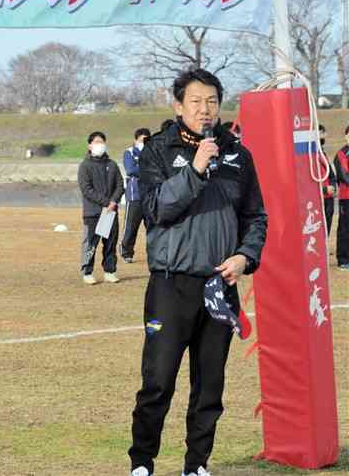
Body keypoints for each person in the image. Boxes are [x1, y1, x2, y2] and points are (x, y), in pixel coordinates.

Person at [128, 69, 267, 476]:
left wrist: (244, 257)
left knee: (209, 385)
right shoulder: (156, 150)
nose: (204, 110)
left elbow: (255, 217)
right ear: (178, 105)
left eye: (211, 101)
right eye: (195, 101)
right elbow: (154, 209)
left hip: (219, 287)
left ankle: (196, 464)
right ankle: (142, 462)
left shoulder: (238, 155)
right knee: (158, 381)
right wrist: (194, 169)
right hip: (171, 285)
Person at [78, 131, 125, 284]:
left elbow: (120, 185)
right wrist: (106, 202)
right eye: (96, 142)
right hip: (93, 212)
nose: (99, 145)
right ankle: (87, 271)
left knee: (110, 243)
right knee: (91, 243)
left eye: (102, 142)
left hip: (110, 212)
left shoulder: (111, 165)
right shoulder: (85, 166)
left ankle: (109, 271)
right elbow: (86, 189)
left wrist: (114, 202)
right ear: (90, 145)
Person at [121, 128, 151, 263]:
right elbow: (131, 170)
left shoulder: (152, 153)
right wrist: (148, 169)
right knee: (131, 226)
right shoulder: (129, 152)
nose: (143, 142)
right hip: (135, 195)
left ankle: (153, 253)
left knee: (152, 227)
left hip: (150, 196)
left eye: (146, 140)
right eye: (141, 140)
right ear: (135, 140)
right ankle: (126, 252)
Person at [318, 125, 337, 235]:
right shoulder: (308, 156)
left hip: (329, 199)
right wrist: (324, 190)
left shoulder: (322, 154)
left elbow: (331, 175)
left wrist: (333, 187)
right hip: (318, 200)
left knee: (327, 230)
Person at [335, 124, 349, 270]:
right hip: (346, 198)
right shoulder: (341, 154)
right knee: (345, 228)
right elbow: (344, 175)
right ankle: (343, 259)